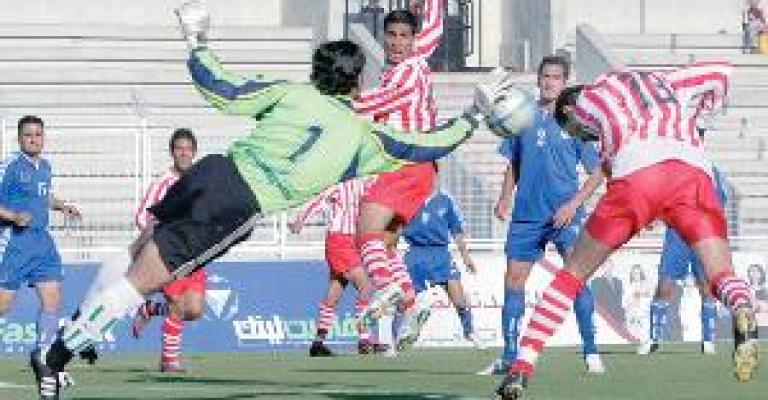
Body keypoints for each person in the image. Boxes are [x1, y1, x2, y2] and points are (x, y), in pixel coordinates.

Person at [29, 3, 507, 397]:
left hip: (211, 172)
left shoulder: (291, 93)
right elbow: (425, 147)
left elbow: (220, 89)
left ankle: (64, 340)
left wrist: (197, 41)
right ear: (357, 83)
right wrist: (474, 115)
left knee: (139, 254)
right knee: (141, 284)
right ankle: (54, 357)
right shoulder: (364, 137)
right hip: (235, 207)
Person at [495, 62, 760, 400]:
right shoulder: (664, 79)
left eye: (576, 130)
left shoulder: (588, 101)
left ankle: (521, 368)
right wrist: (699, 122)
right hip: (692, 171)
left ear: (570, 109)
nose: (581, 135)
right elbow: (722, 73)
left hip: (638, 174)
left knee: (571, 276)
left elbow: (609, 161)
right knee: (722, 273)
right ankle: (741, 307)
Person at [479, 56, 606, 377]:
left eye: (556, 77)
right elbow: (514, 162)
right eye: (545, 76)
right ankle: (509, 356)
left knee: (575, 280)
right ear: (538, 80)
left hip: (564, 214)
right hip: (527, 214)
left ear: (565, 82)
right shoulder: (521, 115)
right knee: (513, 280)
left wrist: (573, 205)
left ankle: (591, 351)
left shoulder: (576, 121)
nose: (550, 82)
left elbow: (597, 172)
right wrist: (505, 195)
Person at [353, 0, 446, 342]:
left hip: (406, 163)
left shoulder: (409, 69)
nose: (396, 41)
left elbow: (378, 103)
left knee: (366, 233)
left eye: (403, 36)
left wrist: (343, 104)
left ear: (412, 41)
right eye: (390, 35)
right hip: (416, 168)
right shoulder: (407, 64)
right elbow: (435, 25)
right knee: (387, 244)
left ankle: (389, 289)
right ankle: (412, 302)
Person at [0, 116, 82, 398]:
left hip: (41, 242)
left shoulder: (45, 166)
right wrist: (11, 216)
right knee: (3, 306)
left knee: (53, 299)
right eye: (28, 135)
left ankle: (44, 355)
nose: (33, 139)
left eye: (38, 135)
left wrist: (63, 206)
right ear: (19, 139)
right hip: (15, 244)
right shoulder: (10, 165)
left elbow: (42, 195)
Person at [129, 128, 204, 372]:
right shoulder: (163, 184)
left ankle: (150, 308)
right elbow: (142, 217)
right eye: (179, 148)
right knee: (178, 305)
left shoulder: (200, 181)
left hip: (196, 255)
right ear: (172, 152)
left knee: (193, 310)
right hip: (170, 255)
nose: (184, 153)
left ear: (194, 152)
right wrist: (163, 239)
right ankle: (169, 361)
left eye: (188, 149)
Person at [637, 163, 730, 356]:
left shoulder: (712, 169)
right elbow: (660, 197)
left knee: (706, 287)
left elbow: (722, 200)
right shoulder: (674, 167)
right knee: (665, 286)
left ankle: (708, 341)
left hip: (703, 232)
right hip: (677, 234)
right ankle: (653, 339)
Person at [287, 177, 375, 356]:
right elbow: (319, 201)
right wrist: (300, 221)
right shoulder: (340, 185)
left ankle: (318, 344)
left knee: (333, 295)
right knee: (365, 287)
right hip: (340, 240)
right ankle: (364, 340)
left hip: (351, 241)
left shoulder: (366, 182)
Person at [399, 179, 483, 350]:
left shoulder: (445, 200)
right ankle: (402, 337)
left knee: (458, 297)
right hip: (415, 254)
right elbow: (396, 226)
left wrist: (466, 257)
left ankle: (469, 331)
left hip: (440, 254)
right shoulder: (408, 199)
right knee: (408, 302)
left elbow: (456, 230)